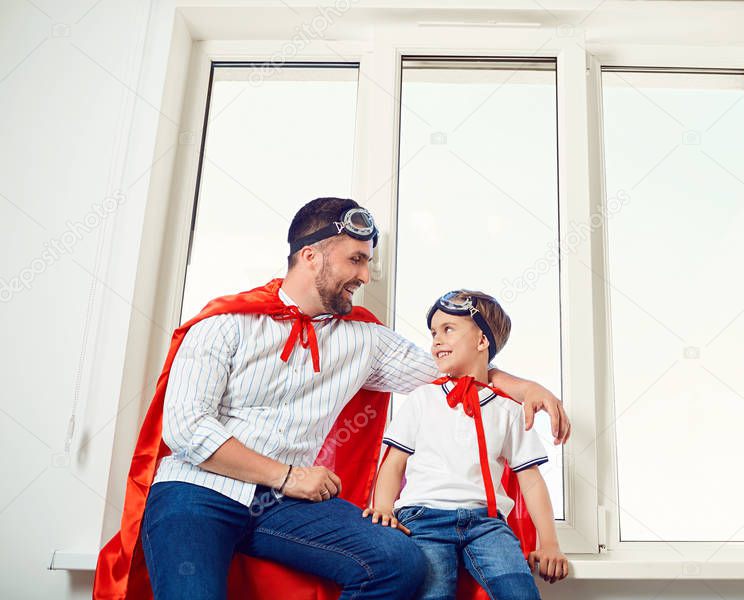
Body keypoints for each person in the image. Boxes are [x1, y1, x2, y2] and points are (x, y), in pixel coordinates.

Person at [93, 198, 571, 600]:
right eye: (356, 260)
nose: (365, 275)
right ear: (312, 256)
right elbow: (187, 428)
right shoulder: (224, 323)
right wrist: (289, 475)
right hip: (196, 493)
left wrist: (524, 388)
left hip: (284, 505)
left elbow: (453, 371)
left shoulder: (365, 340)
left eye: (367, 262)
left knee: (400, 561)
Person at [363, 290, 569, 600]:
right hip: (423, 519)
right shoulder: (422, 399)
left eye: (448, 329)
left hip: (487, 525)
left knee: (520, 593)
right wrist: (383, 507)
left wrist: (549, 543)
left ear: (482, 341)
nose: (436, 340)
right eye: (433, 332)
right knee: (433, 595)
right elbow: (394, 462)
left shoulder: (509, 410)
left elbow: (531, 482)